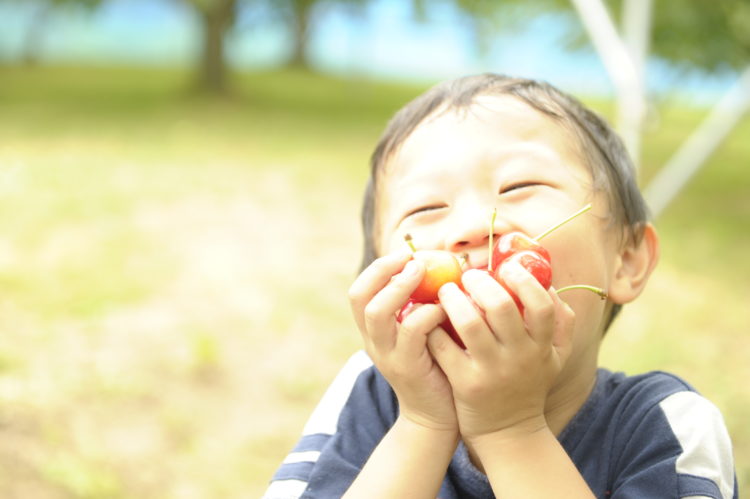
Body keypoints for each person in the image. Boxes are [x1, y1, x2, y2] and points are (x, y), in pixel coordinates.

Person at [263, 74, 737, 498]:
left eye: (518, 186)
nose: (471, 227)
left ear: (626, 260)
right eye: (426, 209)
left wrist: (511, 430)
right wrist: (422, 422)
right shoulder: (365, 394)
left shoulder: (668, 425)